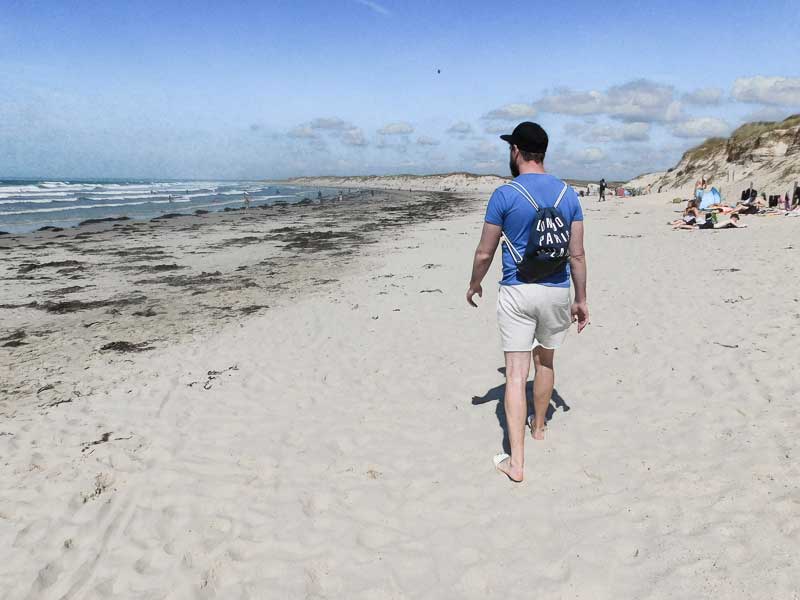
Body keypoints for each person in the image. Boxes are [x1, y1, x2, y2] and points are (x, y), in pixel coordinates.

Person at [466, 121, 589, 483]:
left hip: (517, 290)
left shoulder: (505, 195)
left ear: (516, 151)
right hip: (556, 290)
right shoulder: (569, 194)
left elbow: (484, 251)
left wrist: (474, 283)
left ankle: (516, 463)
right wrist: (581, 300)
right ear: (544, 153)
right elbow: (577, 256)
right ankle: (538, 428)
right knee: (545, 360)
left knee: (516, 375)